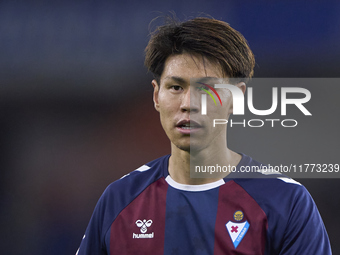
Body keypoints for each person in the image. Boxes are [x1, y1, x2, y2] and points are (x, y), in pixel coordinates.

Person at [76, 16, 332, 255]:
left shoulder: (287, 203)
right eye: (175, 87)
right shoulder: (119, 200)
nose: (189, 103)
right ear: (156, 96)